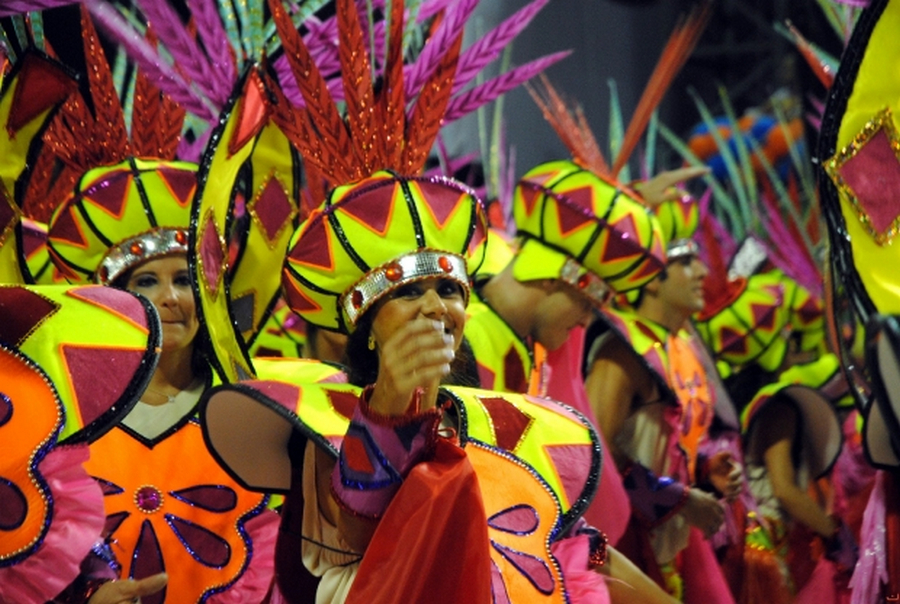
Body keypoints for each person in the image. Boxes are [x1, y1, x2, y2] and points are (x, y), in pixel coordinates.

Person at [26, 10, 286, 601]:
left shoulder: (252, 412)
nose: (170, 297)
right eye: (146, 283)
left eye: (185, 281)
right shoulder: (62, 420)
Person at [584, 200, 741, 602]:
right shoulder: (622, 350)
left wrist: (704, 469)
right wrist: (678, 498)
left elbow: (668, 445)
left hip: (674, 541)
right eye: (686, 262)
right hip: (622, 543)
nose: (702, 272)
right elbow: (592, 451)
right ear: (652, 278)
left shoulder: (681, 345)